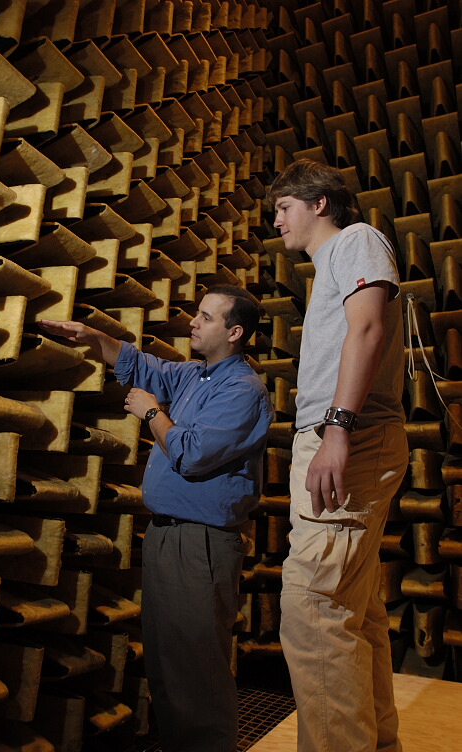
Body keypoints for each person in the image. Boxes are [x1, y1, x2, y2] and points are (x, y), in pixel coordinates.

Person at [39, 284, 274, 752]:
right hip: (170, 538)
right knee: (167, 667)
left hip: (202, 544)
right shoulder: (196, 375)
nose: (193, 322)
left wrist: (151, 413)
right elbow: (139, 362)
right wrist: (90, 336)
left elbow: (192, 454)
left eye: (206, 317)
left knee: (197, 672)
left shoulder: (243, 391)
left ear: (234, 332)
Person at [269, 158, 408, 752]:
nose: (276, 221)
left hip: (348, 435)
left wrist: (337, 429)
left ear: (319, 203)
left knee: (313, 607)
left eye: (283, 207)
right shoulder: (333, 262)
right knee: (355, 610)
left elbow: (369, 330)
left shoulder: (356, 240)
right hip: (343, 434)